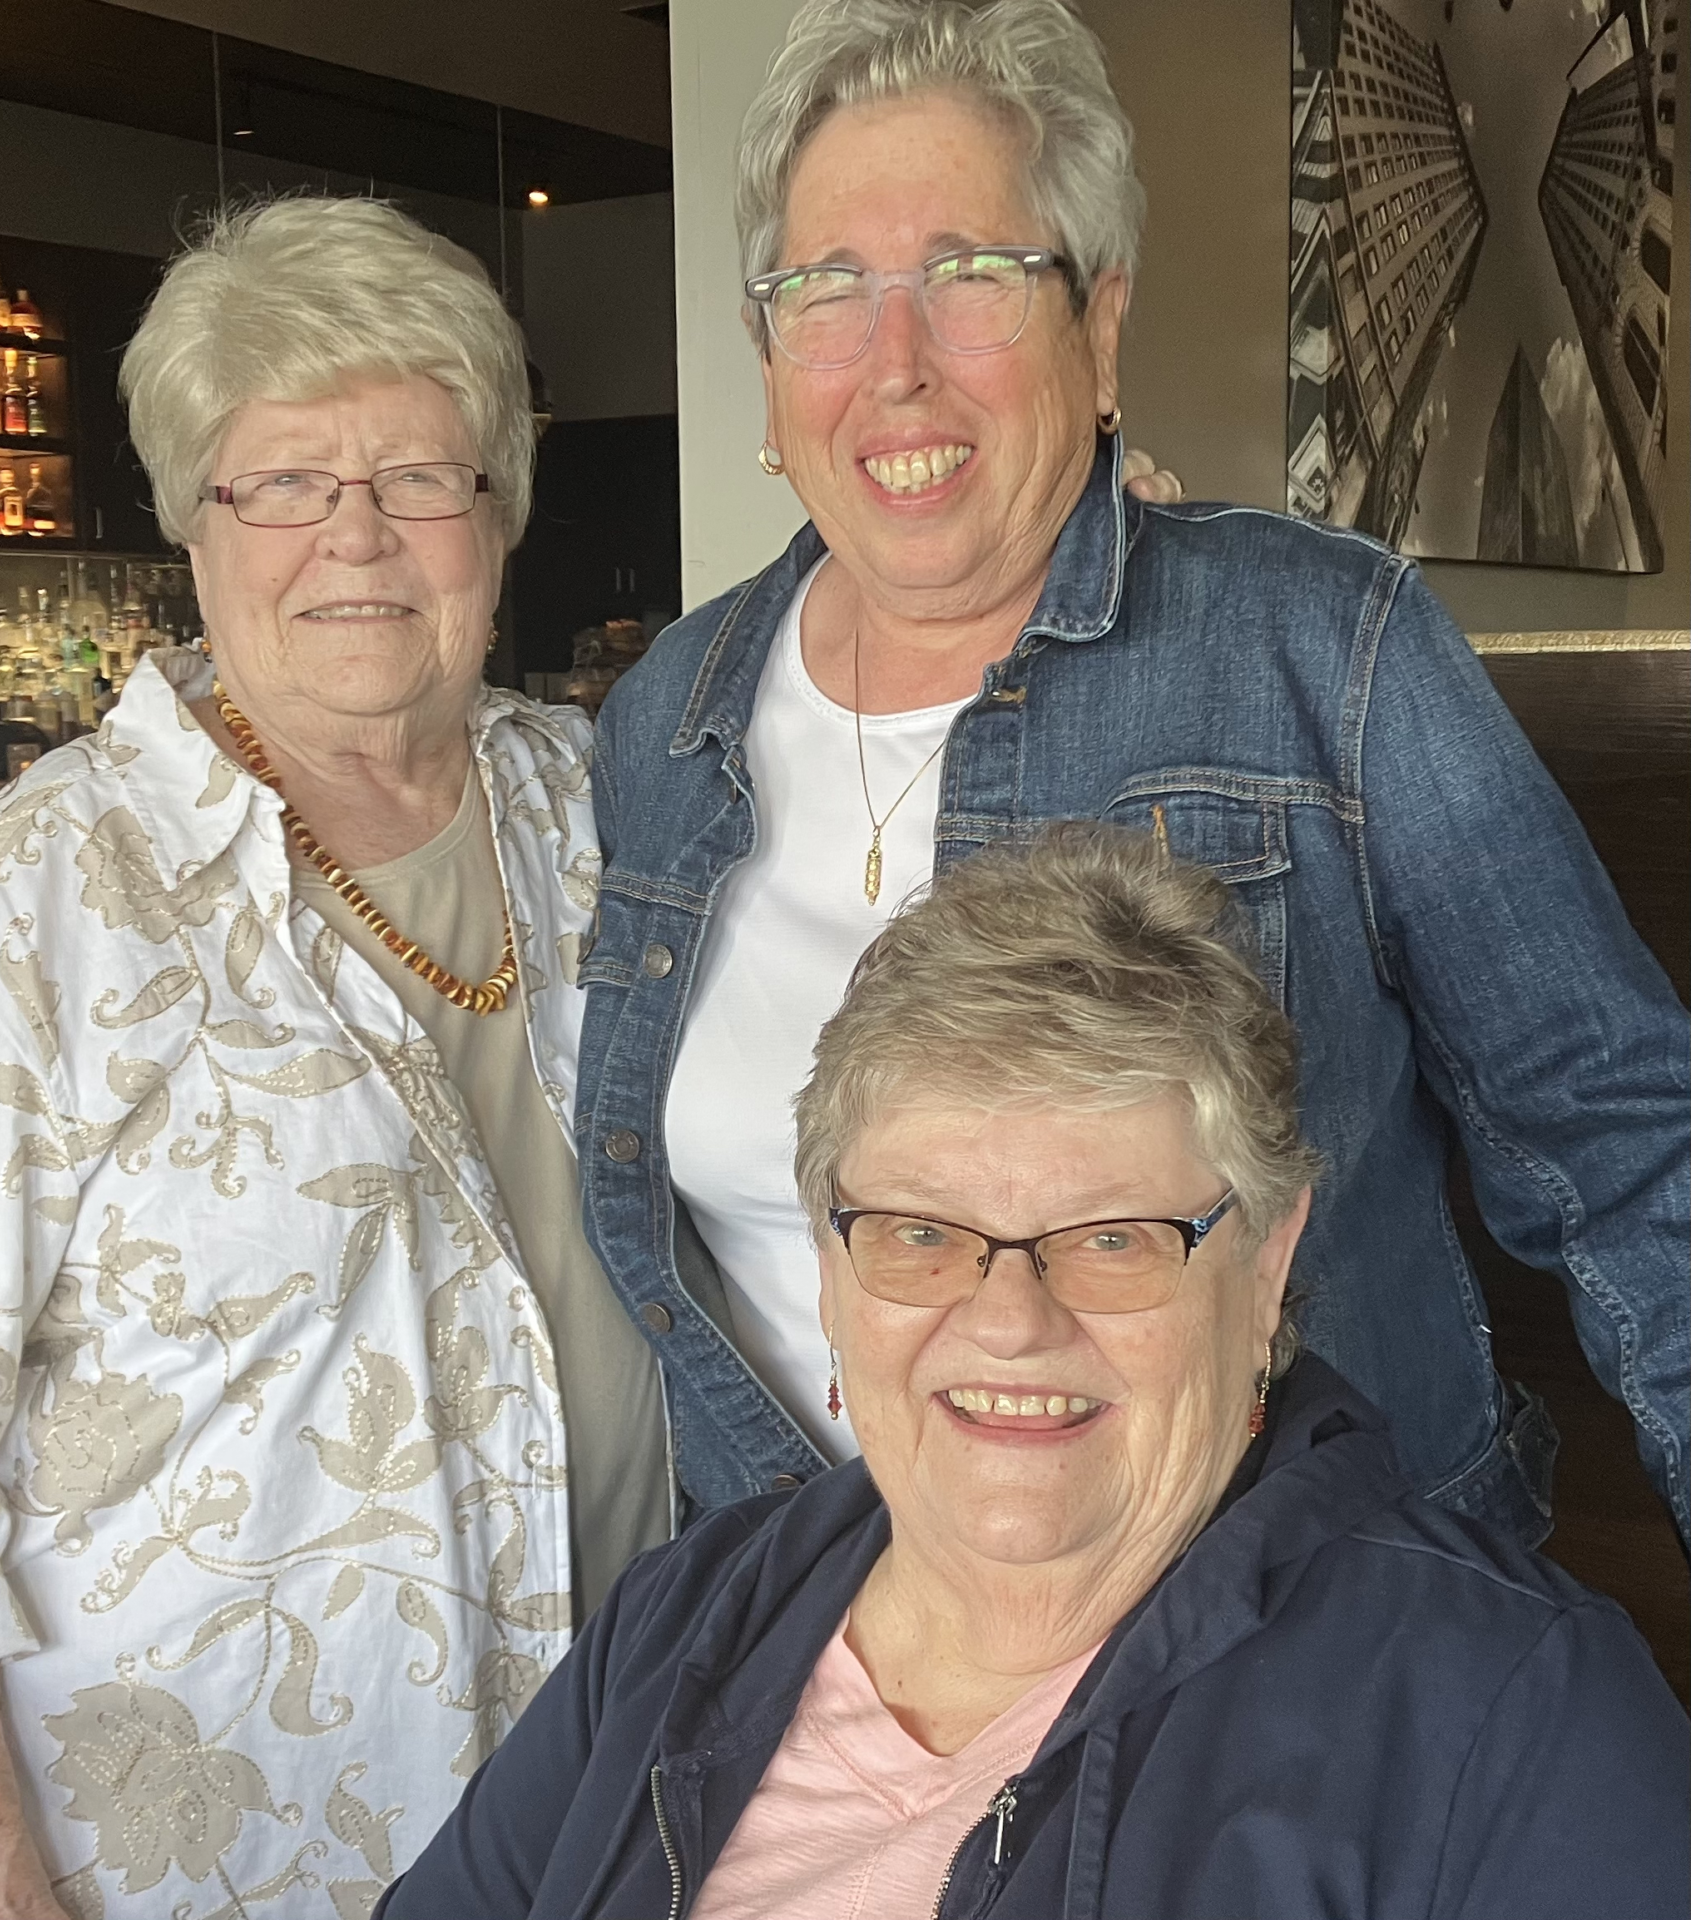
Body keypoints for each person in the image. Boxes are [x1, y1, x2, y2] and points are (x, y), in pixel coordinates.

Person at [576, 0, 1688, 1547]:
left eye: (972, 278)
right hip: (834, 1625)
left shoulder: (1323, 645)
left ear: (1098, 332)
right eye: (828, 291)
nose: (896, 367)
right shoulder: (661, 722)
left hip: (1301, 1617)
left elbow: (1627, 1153)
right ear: (770, 361)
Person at [0, 196, 673, 1920]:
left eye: (420, 477)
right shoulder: (27, 906)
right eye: (285, 482)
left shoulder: (598, 805)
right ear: (194, 523)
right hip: (230, 1827)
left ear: (500, 513)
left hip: (626, 1747)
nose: (356, 538)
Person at [389, 826, 1691, 1918]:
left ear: (1266, 1261)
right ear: (831, 1267)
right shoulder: (680, 1619)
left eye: (1112, 1238)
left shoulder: (1516, 1713)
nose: (1009, 1320)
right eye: (919, 1233)